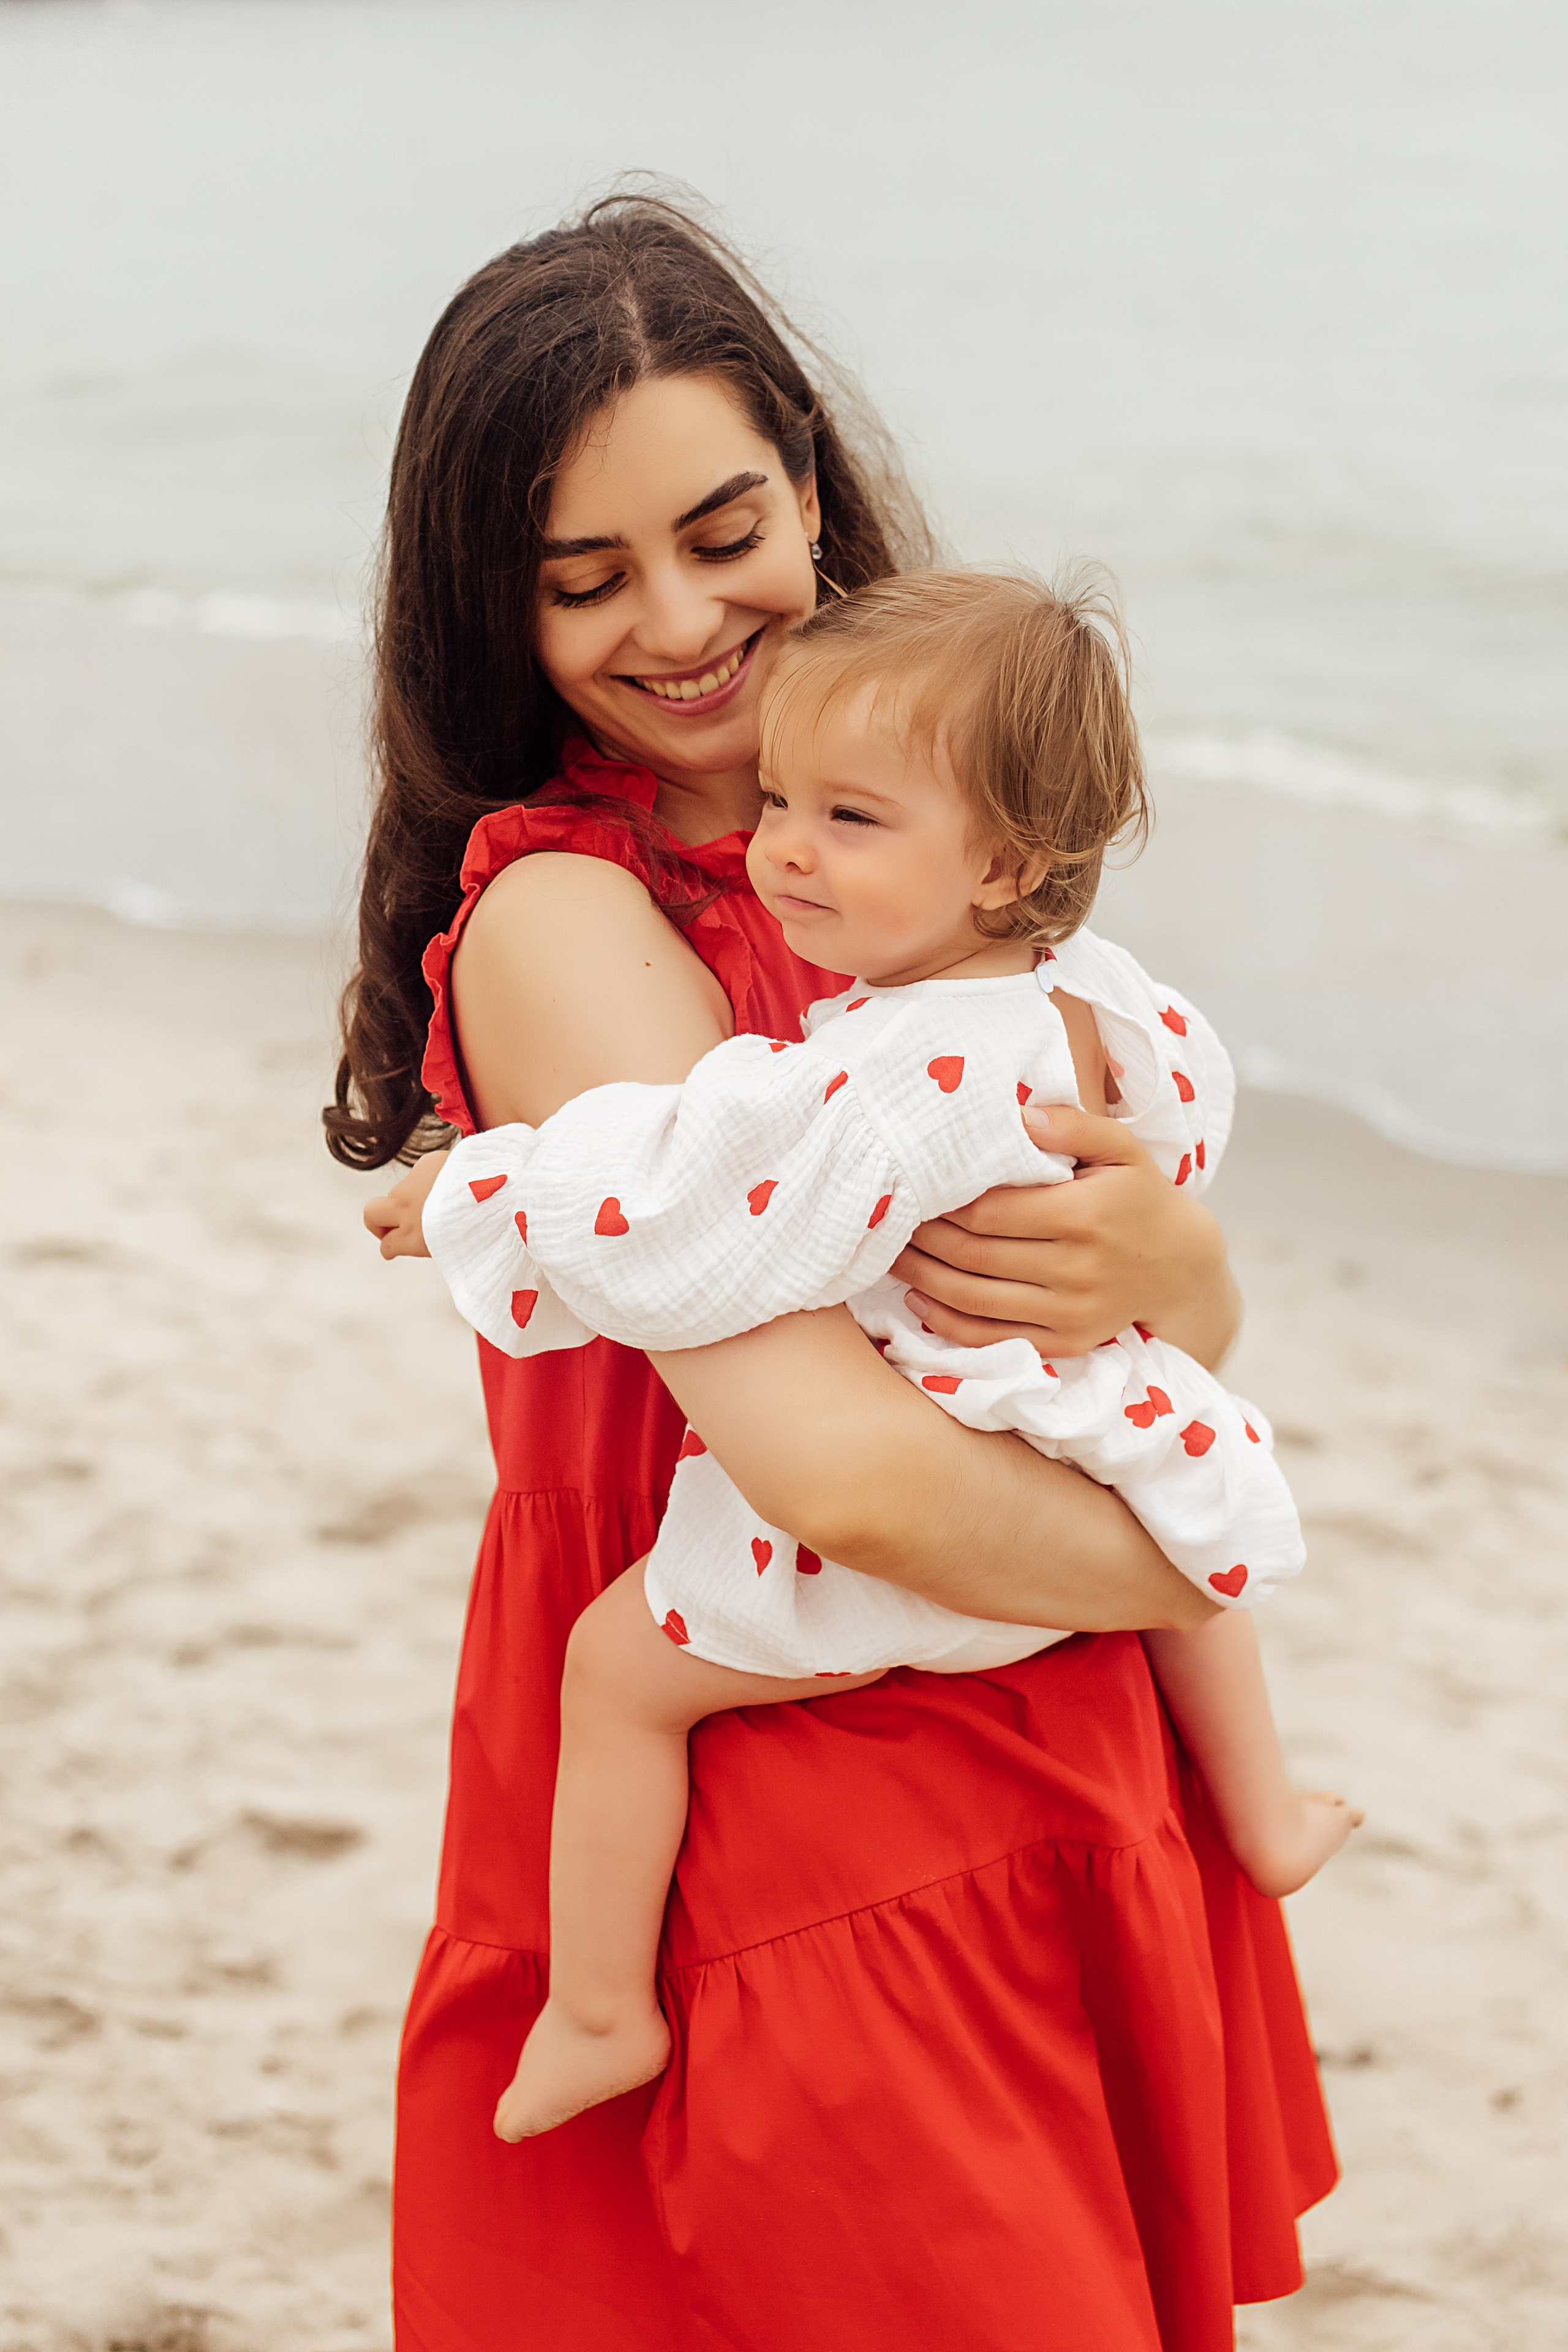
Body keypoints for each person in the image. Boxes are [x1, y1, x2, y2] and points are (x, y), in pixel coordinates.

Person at [339, 193, 1337, 2352]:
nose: (686, 624)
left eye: (725, 529)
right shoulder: (566, 918)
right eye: (582, 579)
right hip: (789, 1760)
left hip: (1028, 1683)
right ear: (483, 608)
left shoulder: (921, 857)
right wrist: (1204, 1561)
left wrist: (1173, 1259)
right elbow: (842, 1475)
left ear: (812, 483)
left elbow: (1143, 1307)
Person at [379, 566, 1359, 2145]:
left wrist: (485, 1190)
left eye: (846, 817)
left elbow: (699, 1200)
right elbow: (1176, 1164)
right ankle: (1265, 1806)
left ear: (1005, 862)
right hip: (1091, 1427)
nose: (783, 846)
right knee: (1194, 1495)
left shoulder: (906, 1067)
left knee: (618, 1675)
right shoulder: (1098, 999)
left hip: (928, 1504)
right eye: (783, 798)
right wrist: (1169, 1269)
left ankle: (599, 2008)